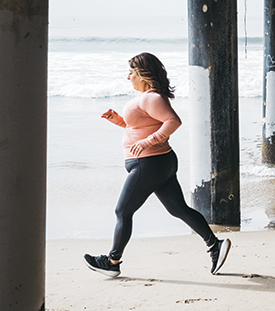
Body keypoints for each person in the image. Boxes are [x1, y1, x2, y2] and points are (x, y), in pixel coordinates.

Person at [84, 52, 231, 278]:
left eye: (131, 73)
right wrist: (119, 122)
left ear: (143, 74)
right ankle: (214, 245)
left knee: (123, 210)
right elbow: (141, 127)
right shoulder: (148, 98)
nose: (128, 77)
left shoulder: (152, 97)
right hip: (157, 162)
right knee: (178, 209)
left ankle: (112, 261)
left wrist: (147, 142)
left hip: (150, 163)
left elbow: (173, 122)